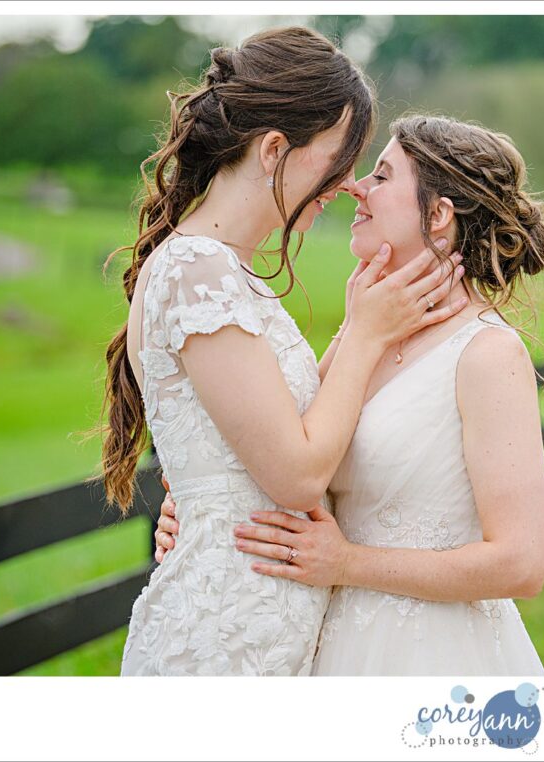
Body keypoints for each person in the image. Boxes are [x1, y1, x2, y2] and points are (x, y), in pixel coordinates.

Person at [102, 27, 466, 676]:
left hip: (261, 637)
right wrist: (364, 336)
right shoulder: (196, 271)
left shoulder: (224, 273)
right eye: (338, 158)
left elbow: (280, 431)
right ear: (275, 149)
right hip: (221, 645)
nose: (348, 184)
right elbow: (296, 475)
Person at [155, 114, 544, 675]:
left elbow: (522, 563)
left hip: (429, 656)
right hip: (334, 648)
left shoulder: (487, 354)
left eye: (383, 176)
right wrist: (206, 509)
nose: (355, 188)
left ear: (438, 215)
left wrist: (348, 563)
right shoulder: (364, 333)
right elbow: (292, 451)